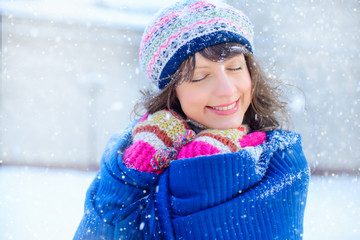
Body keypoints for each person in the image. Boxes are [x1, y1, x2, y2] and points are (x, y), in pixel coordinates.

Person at [74, 0, 310, 239]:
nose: (227, 90)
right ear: (172, 92)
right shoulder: (131, 155)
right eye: (200, 77)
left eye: (236, 68)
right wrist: (137, 170)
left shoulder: (279, 161)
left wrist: (201, 165)